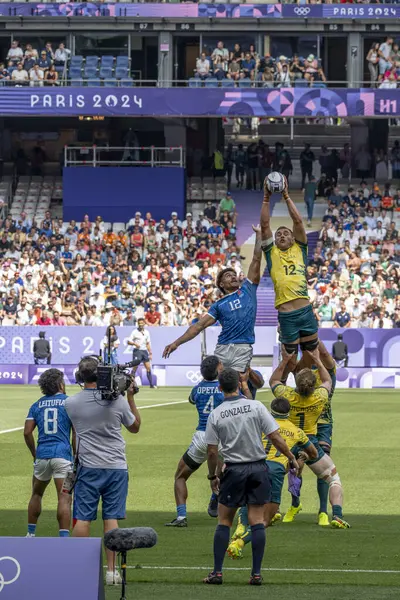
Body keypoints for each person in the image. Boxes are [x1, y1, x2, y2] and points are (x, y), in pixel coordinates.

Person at [203, 368, 299, 586]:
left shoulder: (216, 414)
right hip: (257, 468)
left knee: (224, 521)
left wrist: (212, 476)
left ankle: (217, 573)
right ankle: (256, 574)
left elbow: (211, 451)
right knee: (257, 521)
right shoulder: (256, 406)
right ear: (239, 383)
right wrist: (291, 457)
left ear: (220, 388)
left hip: (234, 470)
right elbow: (275, 437)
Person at [65, 357, 141, 586]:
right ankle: (110, 572)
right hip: (116, 467)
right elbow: (135, 427)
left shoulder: (71, 403)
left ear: (80, 377)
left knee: (83, 519)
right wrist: (130, 396)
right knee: (111, 518)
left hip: (88, 467)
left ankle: (80, 569)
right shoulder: (117, 401)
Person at [227, 397, 317, 559]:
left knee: (249, 499)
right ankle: (239, 543)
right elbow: (314, 453)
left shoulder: (260, 425)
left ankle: (242, 524)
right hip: (275, 471)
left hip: (254, 465)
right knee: (265, 520)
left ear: (271, 410)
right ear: (288, 412)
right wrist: (301, 458)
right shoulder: (296, 431)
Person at [269, 346, 350, 529]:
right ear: (314, 385)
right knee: (333, 479)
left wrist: (284, 360)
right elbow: (328, 380)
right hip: (308, 442)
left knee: (273, 474)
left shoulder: (287, 395)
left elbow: (274, 380)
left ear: (296, 384)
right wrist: (317, 360)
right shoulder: (320, 396)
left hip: (288, 441)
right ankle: (336, 515)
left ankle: (271, 511)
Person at [163, 225, 262, 372]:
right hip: (222, 347)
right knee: (220, 385)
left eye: (234, 274)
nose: (234, 276)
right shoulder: (218, 305)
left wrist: (259, 235)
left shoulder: (248, 289)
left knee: (239, 382)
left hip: (242, 346)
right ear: (221, 284)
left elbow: (256, 259)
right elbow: (198, 326)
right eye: (228, 276)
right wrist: (176, 343)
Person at [260, 177, 319, 358]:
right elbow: (264, 225)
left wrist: (286, 195)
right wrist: (266, 199)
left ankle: (318, 384)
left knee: (312, 356)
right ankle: (283, 386)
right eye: (279, 234)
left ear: (293, 238)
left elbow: (299, 222)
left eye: (286, 233)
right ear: (275, 240)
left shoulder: (300, 248)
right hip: (286, 316)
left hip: (305, 311)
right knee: (289, 359)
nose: (282, 235)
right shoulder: (271, 253)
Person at [165, 356, 225, 527]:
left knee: (180, 476)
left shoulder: (197, 389)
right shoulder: (224, 388)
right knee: (226, 472)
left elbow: (192, 399)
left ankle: (181, 517)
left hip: (202, 437)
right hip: (223, 438)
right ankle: (216, 496)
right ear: (218, 370)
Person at [287, 340, 337, 525]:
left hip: (322, 423)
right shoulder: (302, 374)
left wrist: (311, 336)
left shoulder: (329, 371)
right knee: (293, 464)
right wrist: (300, 340)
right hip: (299, 424)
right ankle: (295, 504)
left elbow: (325, 356)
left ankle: (323, 511)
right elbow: (295, 363)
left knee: (322, 466)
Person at [24, 369, 73, 538]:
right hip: (63, 456)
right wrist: (76, 455)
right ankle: (64, 539)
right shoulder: (69, 402)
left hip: (42, 456)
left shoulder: (36, 404)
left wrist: (34, 453)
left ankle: (30, 534)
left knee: (36, 494)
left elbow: (27, 432)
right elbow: (77, 433)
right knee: (64, 498)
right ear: (60, 384)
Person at [127, 317, 155, 388]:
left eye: (142, 323)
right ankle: (130, 384)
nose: (140, 324)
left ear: (144, 323)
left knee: (148, 368)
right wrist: (134, 344)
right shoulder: (134, 332)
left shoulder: (147, 332)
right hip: (137, 351)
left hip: (144, 351)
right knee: (135, 367)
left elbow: (148, 343)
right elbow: (129, 341)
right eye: (139, 323)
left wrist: (150, 353)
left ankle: (151, 384)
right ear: (138, 324)